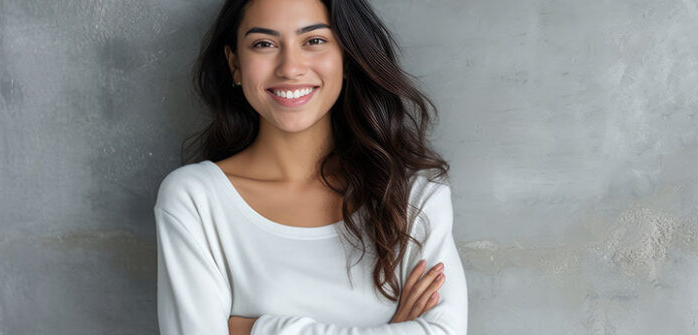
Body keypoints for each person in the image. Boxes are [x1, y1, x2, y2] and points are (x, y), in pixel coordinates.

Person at [153, 0, 468, 333]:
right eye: (264, 44)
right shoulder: (195, 200)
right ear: (235, 64)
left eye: (314, 41)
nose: (290, 67)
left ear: (347, 57)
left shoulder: (413, 196)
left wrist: (255, 329)